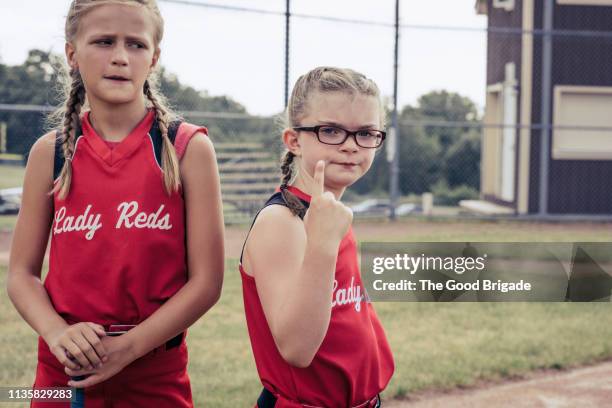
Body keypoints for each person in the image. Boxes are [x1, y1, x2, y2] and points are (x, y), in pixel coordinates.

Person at [6, 1, 224, 406]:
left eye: (136, 45)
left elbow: (207, 282)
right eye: (104, 41)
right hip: (64, 371)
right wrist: (58, 333)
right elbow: (21, 274)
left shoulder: (187, 148)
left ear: (154, 58)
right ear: (72, 54)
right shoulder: (50, 152)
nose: (121, 57)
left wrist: (127, 348)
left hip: (154, 374)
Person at [240, 66, 395, 408]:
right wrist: (322, 244)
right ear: (294, 140)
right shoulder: (282, 221)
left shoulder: (329, 212)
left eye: (366, 133)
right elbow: (297, 348)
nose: (352, 146)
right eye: (331, 131)